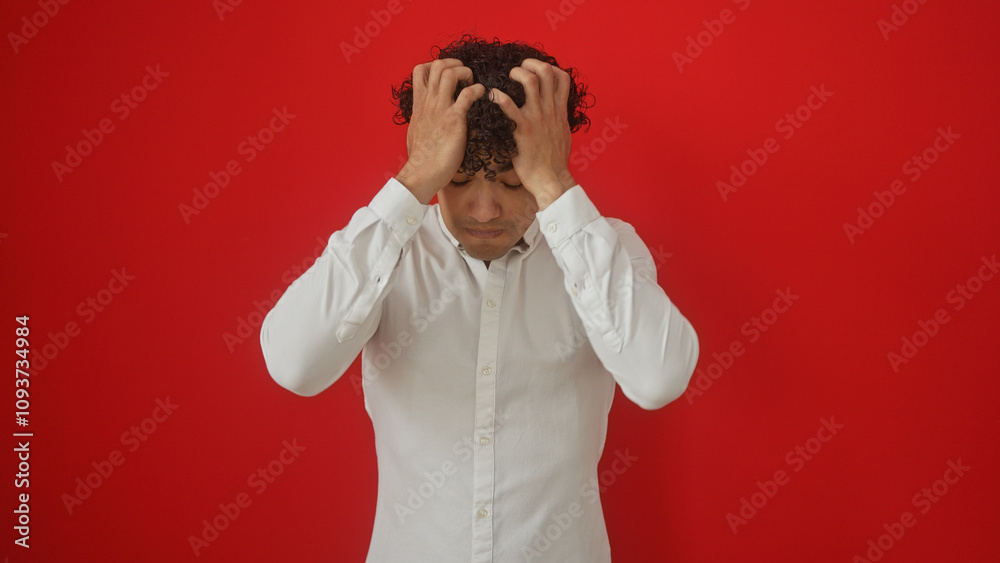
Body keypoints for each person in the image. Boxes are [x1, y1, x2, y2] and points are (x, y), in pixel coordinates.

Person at [260, 34, 699, 563]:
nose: (485, 211)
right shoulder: (385, 254)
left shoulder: (607, 249)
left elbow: (659, 379)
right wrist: (414, 178)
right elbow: (294, 366)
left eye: (513, 183)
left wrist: (556, 186)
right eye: (460, 179)